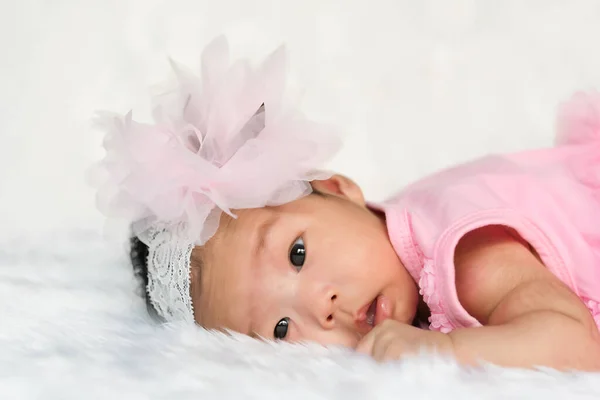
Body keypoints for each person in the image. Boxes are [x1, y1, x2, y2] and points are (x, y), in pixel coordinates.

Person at [92, 36, 600, 371]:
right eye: (281, 328)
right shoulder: (390, 239)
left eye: (296, 253)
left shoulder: (464, 252)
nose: (321, 307)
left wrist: (444, 351)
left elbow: (576, 347)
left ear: (339, 188)